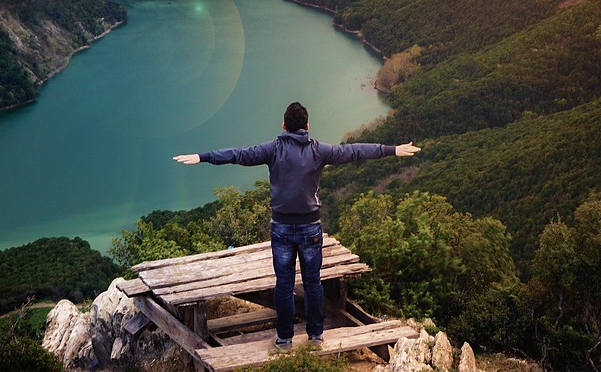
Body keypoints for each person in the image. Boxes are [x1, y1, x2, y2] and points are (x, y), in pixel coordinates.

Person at [173, 101, 420, 349]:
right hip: (310, 228)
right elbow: (353, 151)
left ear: (284, 126)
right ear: (307, 127)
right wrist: (391, 150)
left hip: (281, 228)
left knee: (284, 285)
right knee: (313, 283)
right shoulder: (319, 150)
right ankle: (315, 336)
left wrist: (202, 157)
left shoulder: (272, 149)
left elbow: (238, 154)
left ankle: (284, 339)